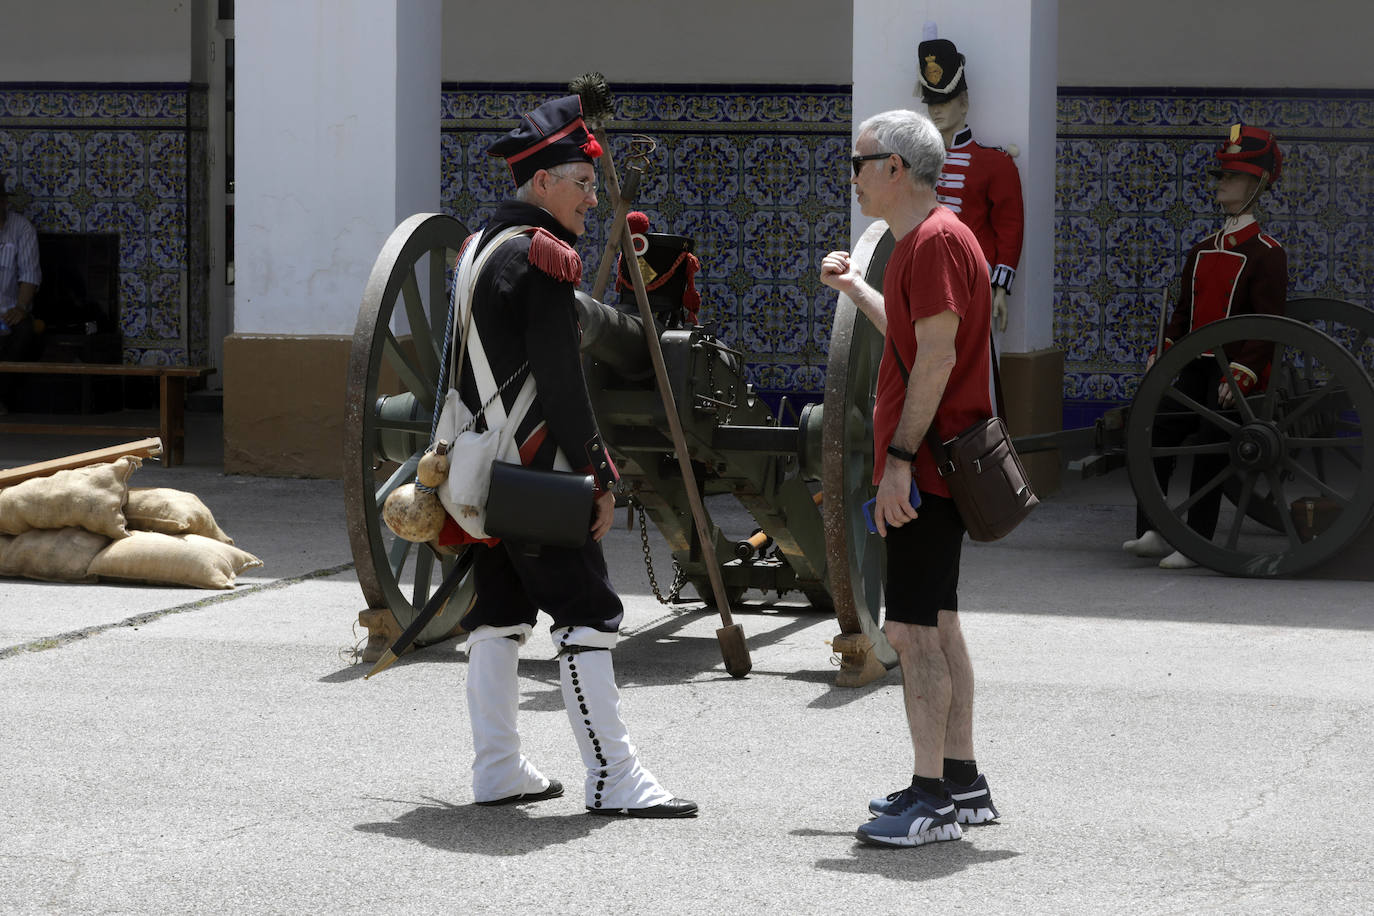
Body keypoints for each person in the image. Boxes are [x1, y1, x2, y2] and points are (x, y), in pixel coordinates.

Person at [442, 94, 695, 818]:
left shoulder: (479, 249)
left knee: (499, 611)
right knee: (589, 613)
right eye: (582, 184)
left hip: (484, 469)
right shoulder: (544, 258)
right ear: (544, 182)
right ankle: (616, 777)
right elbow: (561, 382)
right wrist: (600, 475)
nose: (592, 198)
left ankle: (497, 769)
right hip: (538, 470)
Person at [820, 109, 999, 848]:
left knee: (911, 632)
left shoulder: (929, 243)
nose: (853, 177)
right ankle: (962, 782)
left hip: (924, 470)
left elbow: (934, 360)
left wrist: (898, 462)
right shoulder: (934, 240)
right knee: (941, 626)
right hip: (938, 465)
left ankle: (930, 802)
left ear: (894, 167)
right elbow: (911, 329)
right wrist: (856, 286)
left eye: (859, 163)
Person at [1123, 125, 1286, 570]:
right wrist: (1165, 348)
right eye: (1222, 176)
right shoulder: (1200, 250)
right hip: (1193, 369)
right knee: (1153, 430)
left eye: (1232, 177)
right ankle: (1154, 530)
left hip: (1233, 376)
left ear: (1257, 186)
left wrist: (1245, 374)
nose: (1221, 183)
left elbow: (1269, 325)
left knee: (1214, 443)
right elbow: (1181, 312)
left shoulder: (1267, 254)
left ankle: (1195, 541)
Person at [916, 37, 1023, 335]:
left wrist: (1001, 287)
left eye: (945, 102)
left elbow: (1010, 228)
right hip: (924, 276)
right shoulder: (916, 161)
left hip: (974, 275)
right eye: (932, 103)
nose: (936, 111)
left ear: (964, 104)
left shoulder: (995, 162)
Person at [0, 174, 42, 413]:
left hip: (9, 314)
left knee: (24, 332)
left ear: (4, 202)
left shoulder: (21, 228)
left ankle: (1, 397)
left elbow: (30, 275)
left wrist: (20, 307)